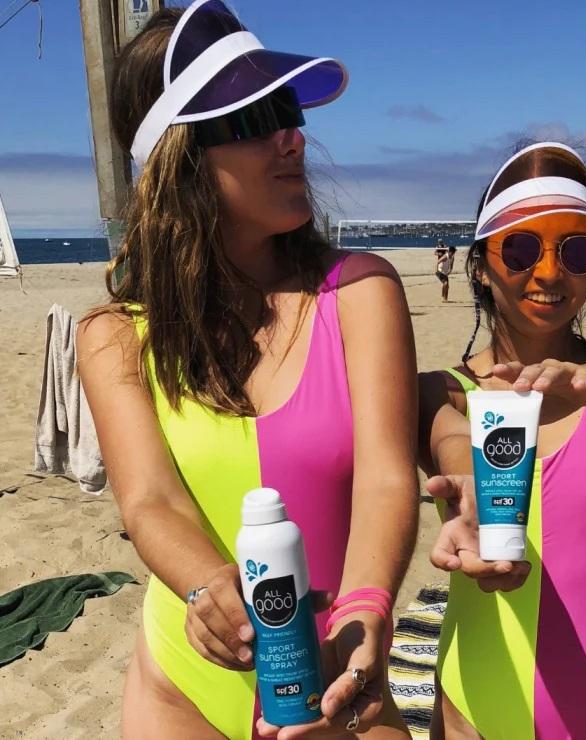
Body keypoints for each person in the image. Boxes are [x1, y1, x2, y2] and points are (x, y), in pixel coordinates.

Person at [76, 3, 417, 739]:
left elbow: (388, 476)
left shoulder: (360, 292)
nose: (292, 137)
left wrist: (365, 614)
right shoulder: (115, 339)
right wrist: (206, 589)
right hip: (183, 692)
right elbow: (149, 503)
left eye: (287, 110)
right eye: (250, 119)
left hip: (341, 683)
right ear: (179, 159)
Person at [418, 142, 586, 739]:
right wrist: (467, 483)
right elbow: (451, 437)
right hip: (473, 705)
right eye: (519, 249)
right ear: (482, 264)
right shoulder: (440, 392)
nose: (547, 274)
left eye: (576, 252)